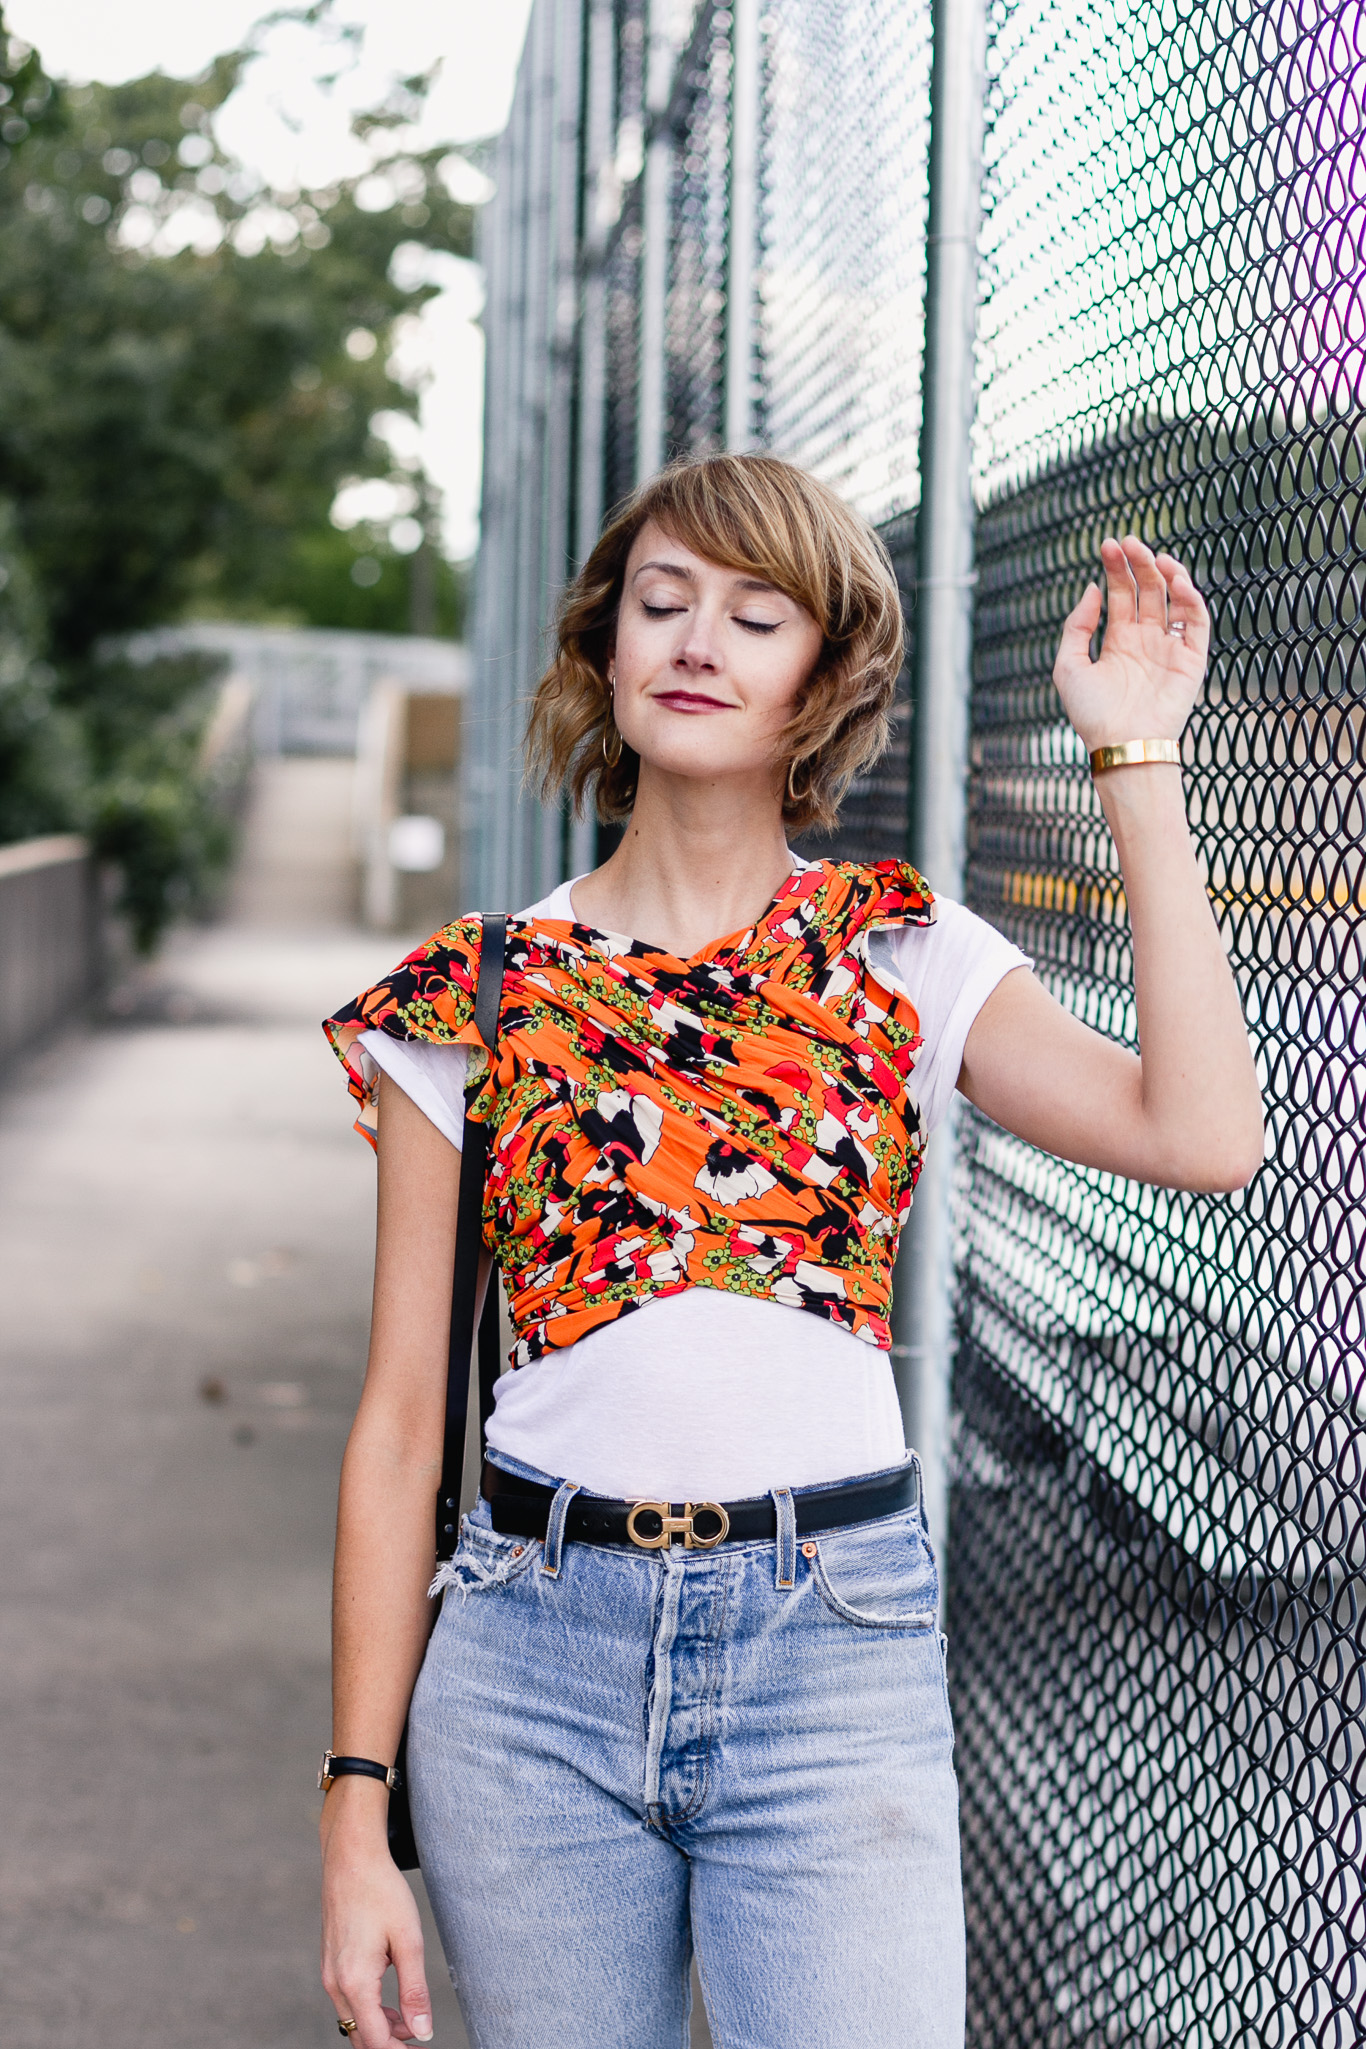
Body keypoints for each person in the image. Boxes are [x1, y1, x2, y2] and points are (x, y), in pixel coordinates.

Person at [317, 453, 1262, 2049]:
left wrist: (1135, 759)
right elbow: (402, 1415)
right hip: (526, 1657)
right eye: (660, 603)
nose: (696, 641)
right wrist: (354, 1817)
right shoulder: (469, 995)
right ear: (602, 649)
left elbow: (1202, 1135)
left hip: (828, 1642)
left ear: (819, 679)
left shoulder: (896, 953)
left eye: (755, 617)